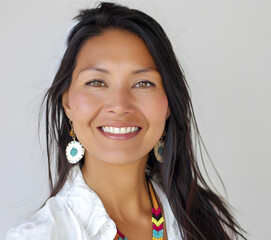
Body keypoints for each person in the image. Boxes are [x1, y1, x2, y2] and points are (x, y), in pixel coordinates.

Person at [6, 2, 246, 240]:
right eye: (97, 82)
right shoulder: (39, 236)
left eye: (143, 83)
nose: (120, 105)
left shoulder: (203, 220)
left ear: (169, 103)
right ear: (67, 103)